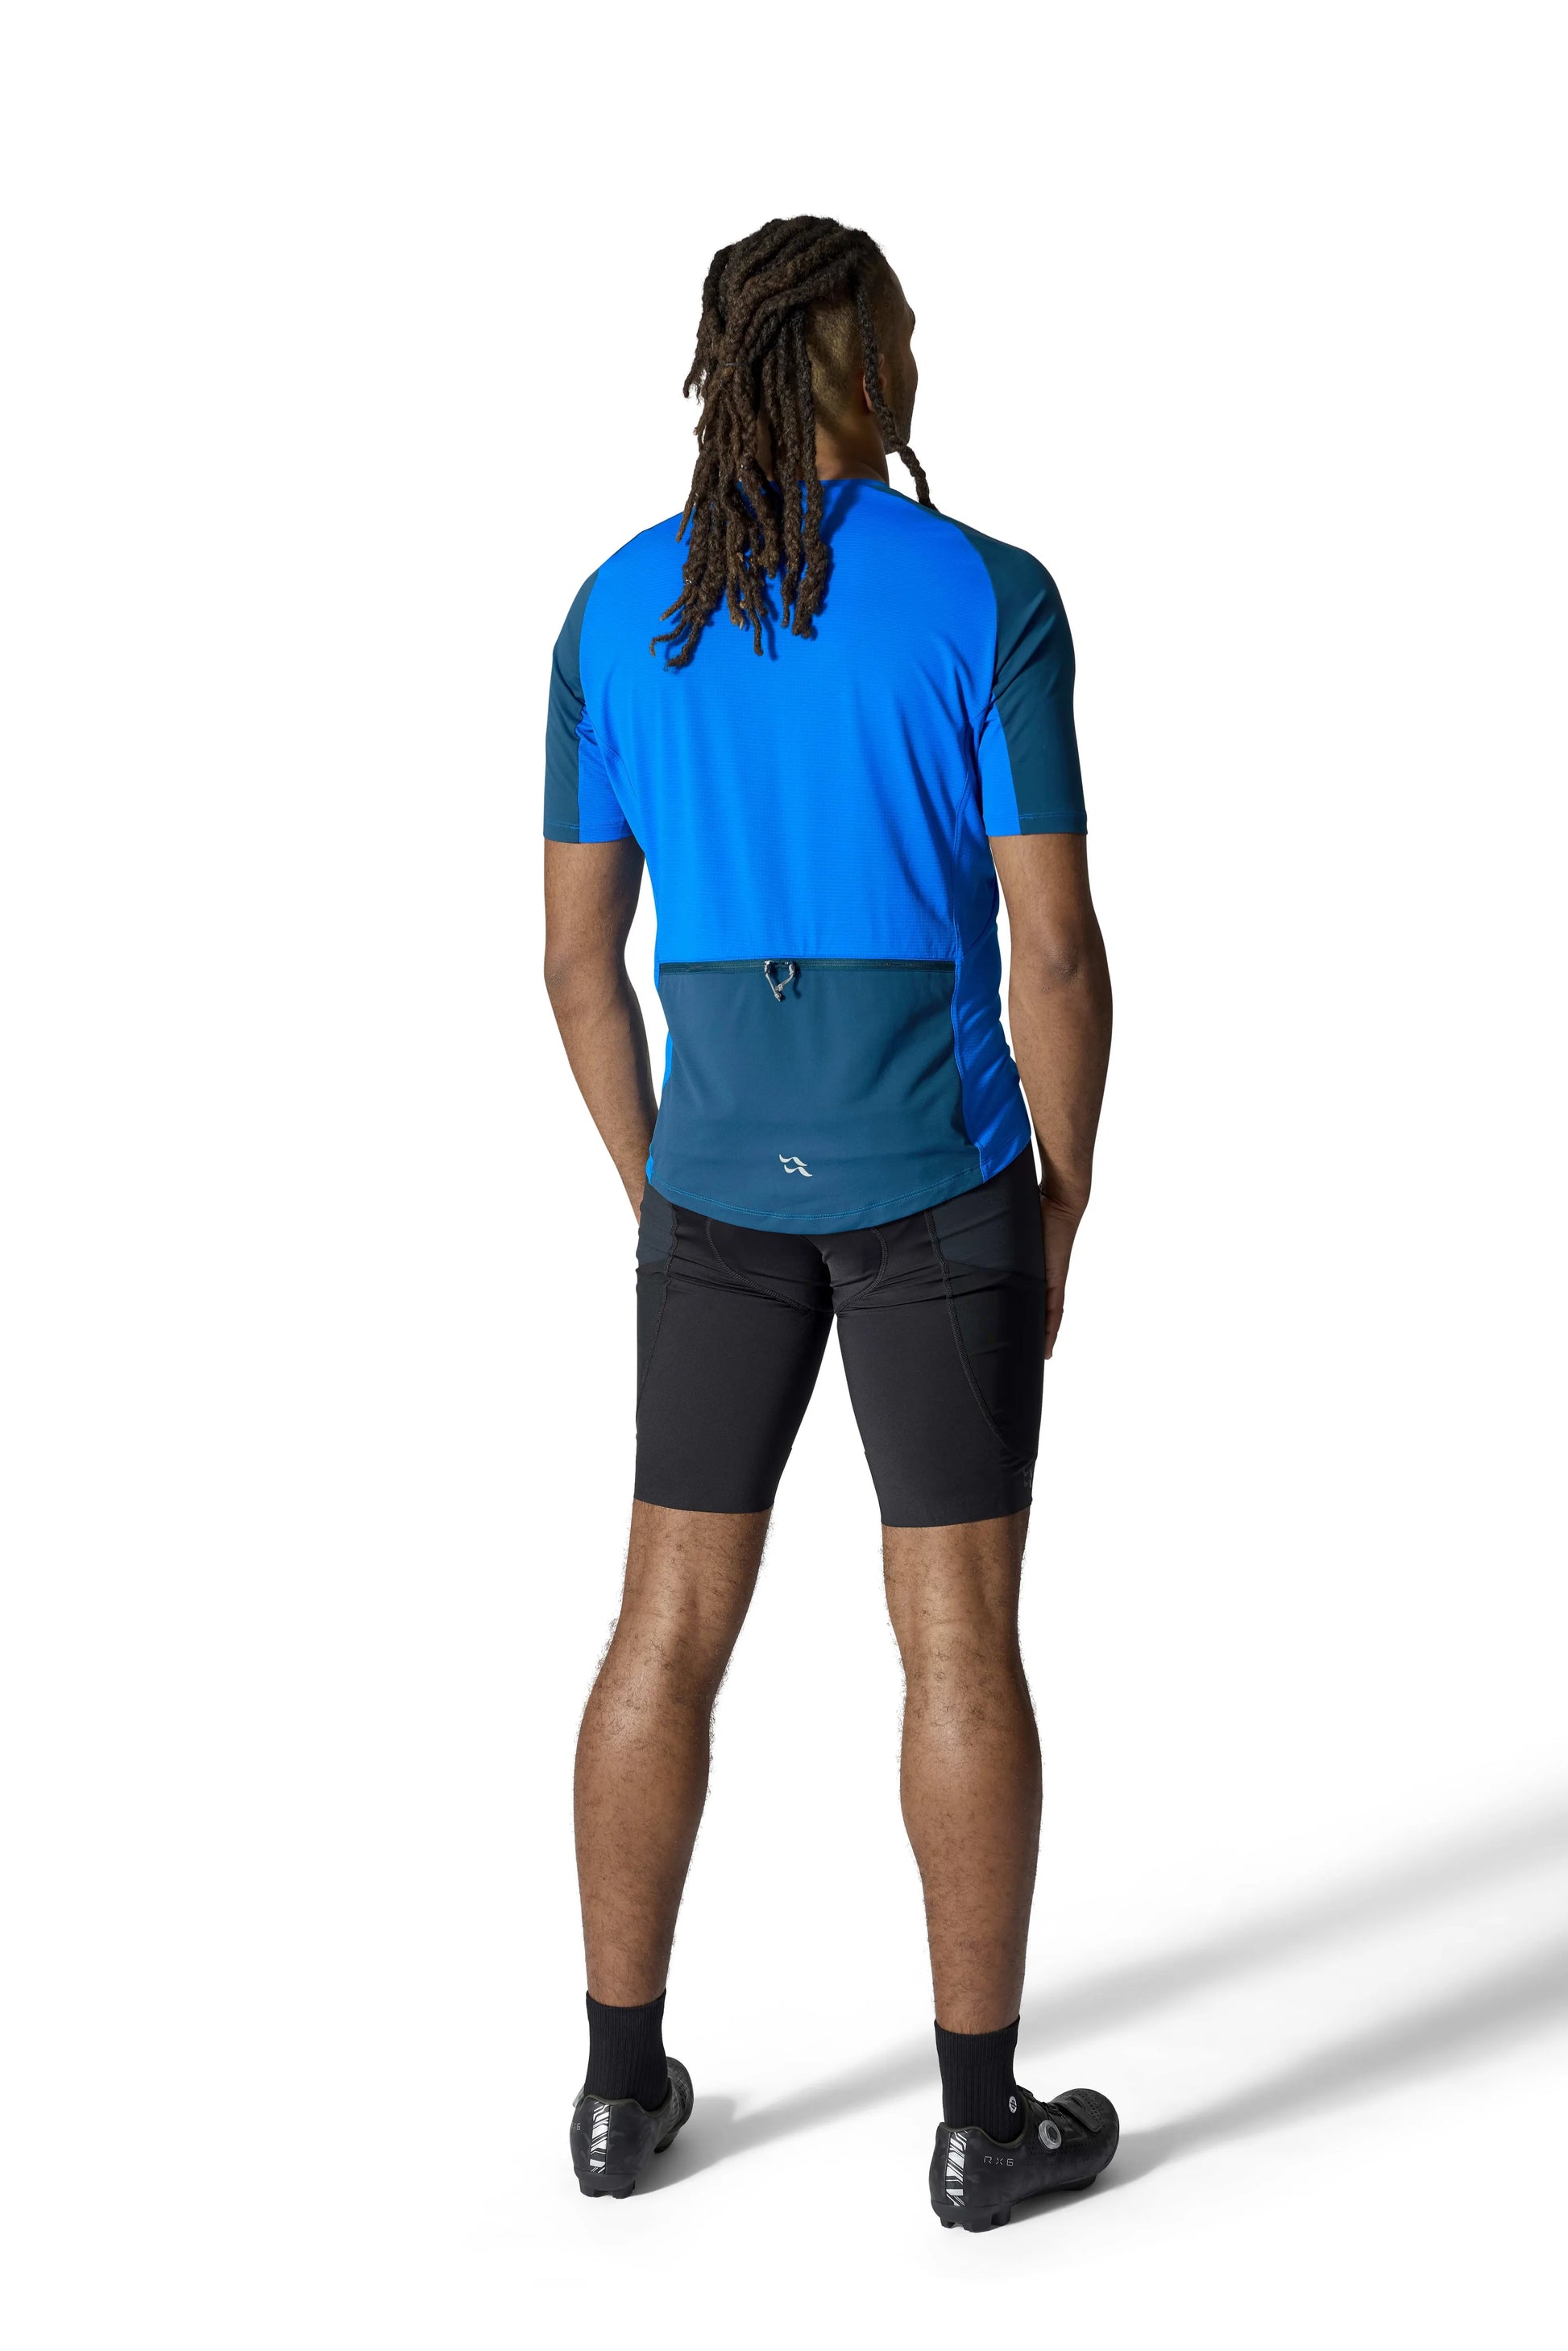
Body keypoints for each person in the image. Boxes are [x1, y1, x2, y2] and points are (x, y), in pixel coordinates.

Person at [543, 216, 1116, 2229]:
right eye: (908, 336)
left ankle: (618, 2093)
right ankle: (978, 2124)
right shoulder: (986, 593)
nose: (922, 364)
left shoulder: (618, 608)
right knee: (955, 1638)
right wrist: (1059, 1203)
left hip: (713, 1188)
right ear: (859, 365)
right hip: (937, 1187)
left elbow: (575, 963)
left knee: (663, 1627)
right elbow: (1053, 951)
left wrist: (666, 1185)